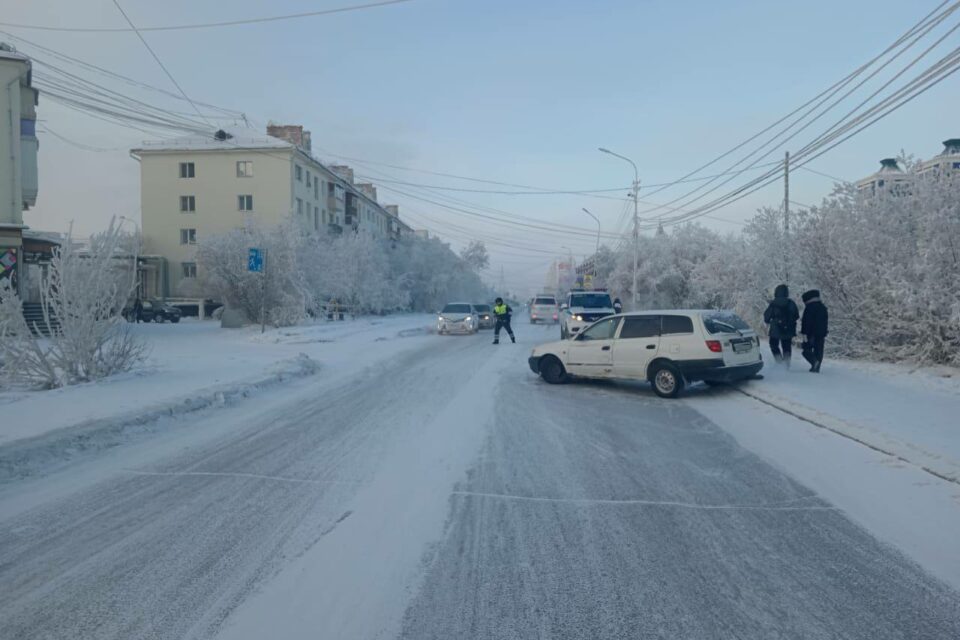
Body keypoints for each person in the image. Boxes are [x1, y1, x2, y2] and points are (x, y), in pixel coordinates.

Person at [762, 284, 799, 365]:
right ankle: (786, 365)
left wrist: (771, 321)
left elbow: (766, 317)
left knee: (773, 345)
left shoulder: (773, 303)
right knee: (787, 347)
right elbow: (796, 316)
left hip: (776, 329)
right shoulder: (791, 303)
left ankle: (779, 362)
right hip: (788, 329)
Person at [801, 289, 829, 373]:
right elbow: (825, 321)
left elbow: (806, 321)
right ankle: (816, 367)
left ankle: (814, 362)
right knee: (819, 350)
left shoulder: (809, 308)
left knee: (806, 349)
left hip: (811, 333)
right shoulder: (823, 307)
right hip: (822, 333)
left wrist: (804, 332)